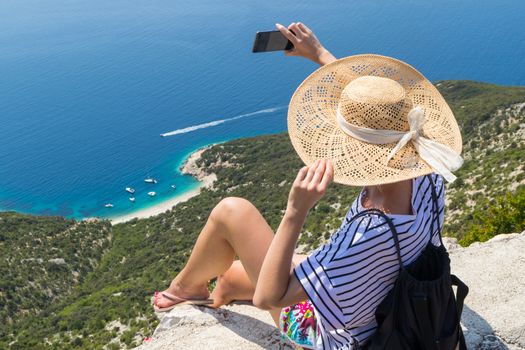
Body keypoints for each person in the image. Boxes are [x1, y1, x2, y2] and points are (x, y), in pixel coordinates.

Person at [153, 22, 463, 349]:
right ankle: (212, 290)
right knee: (230, 275)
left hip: (334, 335)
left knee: (233, 211)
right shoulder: (429, 169)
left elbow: (269, 298)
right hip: (389, 300)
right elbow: (379, 117)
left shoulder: (368, 232)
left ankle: (185, 290)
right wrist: (319, 53)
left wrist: (295, 212)